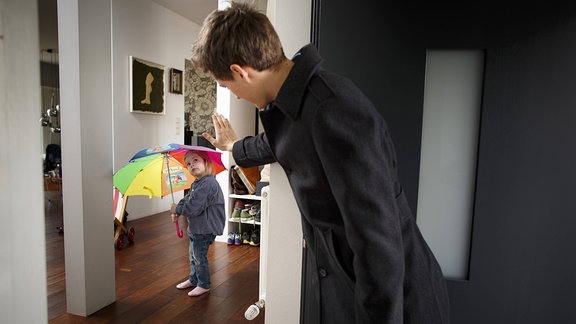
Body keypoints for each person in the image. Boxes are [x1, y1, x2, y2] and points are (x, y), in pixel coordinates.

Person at [193, 2, 450, 322]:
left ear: (240, 71)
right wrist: (235, 147)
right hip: (350, 290)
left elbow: (378, 244)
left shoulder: (331, 110)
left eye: (227, 86)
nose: (235, 95)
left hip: (394, 304)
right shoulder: (294, 107)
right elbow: (279, 142)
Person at [171, 150, 225, 297]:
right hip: (196, 227)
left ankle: (204, 284)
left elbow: (193, 208)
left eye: (195, 160)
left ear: (206, 162)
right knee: (193, 256)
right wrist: (178, 210)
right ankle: (194, 279)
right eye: (188, 163)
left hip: (205, 228)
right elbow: (188, 199)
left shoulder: (207, 184)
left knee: (199, 257)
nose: (191, 164)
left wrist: (178, 208)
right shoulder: (197, 183)